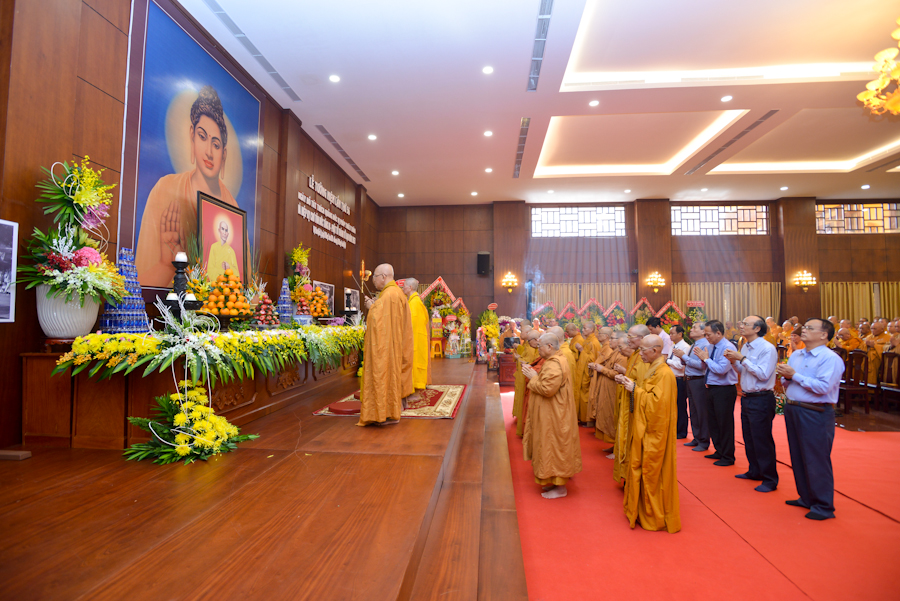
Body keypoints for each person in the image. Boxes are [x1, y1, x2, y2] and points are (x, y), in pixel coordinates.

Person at [137, 86, 238, 287]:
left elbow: (242, 282)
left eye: (216, 145)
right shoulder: (165, 189)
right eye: (202, 136)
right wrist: (167, 265)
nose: (209, 152)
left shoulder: (232, 210)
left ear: (224, 154)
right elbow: (137, 289)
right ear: (192, 135)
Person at [776, 318, 843, 520]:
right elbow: (787, 382)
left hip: (815, 412)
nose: (803, 330)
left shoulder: (829, 358)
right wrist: (786, 377)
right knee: (798, 455)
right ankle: (806, 497)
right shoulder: (797, 354)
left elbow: (824, 387)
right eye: (804, 327)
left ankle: (823, 506)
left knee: (816, 458)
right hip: (793, 408)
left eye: (809, 328)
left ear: (824, 335)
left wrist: (794, 376)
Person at [615, 334, 681, 533]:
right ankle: (639, 509)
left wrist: (635, 389)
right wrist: (633, 385)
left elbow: (658, 407)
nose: (640, 353)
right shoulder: (653, 368)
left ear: (655, 350)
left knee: (651, 471)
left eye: (643, 350)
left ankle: (654, 515)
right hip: (645, 427)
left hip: (655, 432)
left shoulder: (664, 374)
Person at [522, 333, 582, 499]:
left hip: (555, 414)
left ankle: (561, 488)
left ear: (549, 347)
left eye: (540, 346)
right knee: (550, 445)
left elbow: (547, 389)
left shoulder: (554, 364)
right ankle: (554, 481)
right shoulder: (555, 360)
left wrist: (533, 378)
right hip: (552, 411)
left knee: (554, 446)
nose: (538, 349)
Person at [725, 316, 779, 492]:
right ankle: (755, 470)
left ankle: (769, 479)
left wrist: (742, 359)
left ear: (757, 329)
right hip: (747, 397)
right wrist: (734, 362)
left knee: (762, 439)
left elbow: (763, 374)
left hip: (761, 398)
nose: (741, 326)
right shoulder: (746, 346)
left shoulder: (767, 348)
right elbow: (744, 371)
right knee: (749, 437)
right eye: (741, 323)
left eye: (745, 324)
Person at [358, 264, 414, 426]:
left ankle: (384, 413)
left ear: (383, 276)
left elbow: (379, 320)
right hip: (395, 343)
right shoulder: (396, 292)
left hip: (387, 347)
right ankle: (392, 409)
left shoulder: (389, 294)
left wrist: (371, 307)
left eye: (375, 277)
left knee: (383, 375)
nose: (373, 281)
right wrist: (376, 305)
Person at [694, 320, 738, 466]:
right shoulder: (711, 346)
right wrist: (703, 360)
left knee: (724, 423)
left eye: (708, 334)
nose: (706, 337)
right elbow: (706, 367)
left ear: (718, 333)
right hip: (711, 387)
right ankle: (719, 450)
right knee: (713, 422)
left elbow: (721, 370)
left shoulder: (727, 347)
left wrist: (706, 359)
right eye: (705, 334)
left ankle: (728, 456)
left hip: (724, 389)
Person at [613, 325, 650, 482]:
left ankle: (634, 478)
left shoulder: (644, 358)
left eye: (630, 337)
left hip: (637, 406)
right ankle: (627, 475)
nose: (628, 340)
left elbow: (644, 385)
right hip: (629, 403)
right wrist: (624, 378)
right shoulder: (635, 355)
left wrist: (631, 384)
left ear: (642, 339)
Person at [675, 321, 712, 451]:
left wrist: (684, 357)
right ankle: (697, 437)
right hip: (690, 379)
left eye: (694, 328)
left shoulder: (705, 345)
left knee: (701, 411)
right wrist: (682, 358)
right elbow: (689, 363)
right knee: (694, 411)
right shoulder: (694, 344)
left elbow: (702, 365)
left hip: (699, 380)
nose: (691, 330)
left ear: (703, 331)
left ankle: (704, 440)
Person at [589, 327, 622, 444]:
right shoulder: (614, 352)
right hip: (605, 387)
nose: (610, 341)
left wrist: (602, 369)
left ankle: (615, 444)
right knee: (606, 414)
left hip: (612, 389)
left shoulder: (621, 356)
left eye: (612, 338)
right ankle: (613, 444)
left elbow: (617, 374)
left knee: (611, 415)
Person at [402, 278, 431, 401]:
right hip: (416, 339)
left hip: (416, 340)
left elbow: (410, 324)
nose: (402, 288)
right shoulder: (413, 301)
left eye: (404, 286)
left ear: (410, 288)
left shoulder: (415, 303)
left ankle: (415, 392)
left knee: (415, 364)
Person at [513, 330, 541, 437]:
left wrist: (524, 362)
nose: (528, 343)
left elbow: (535, 363)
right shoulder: (530, 347)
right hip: (527, 378)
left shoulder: (538, 350)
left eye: (530, 341)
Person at [573, 322, 602, 426]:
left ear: (591, 330)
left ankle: (587, 419)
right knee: (581, 393)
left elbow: (593, 360)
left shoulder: (594, 342)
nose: (582, 330)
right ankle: (581, 417)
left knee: (586, 395)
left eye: (585, 328)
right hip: (582, 371)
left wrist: (581, 350)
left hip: (588, 373)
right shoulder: (587, 340)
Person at [666, 325, 691, 439]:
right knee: (673, 405)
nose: (670, 336)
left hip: (680, 379)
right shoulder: (673, 345)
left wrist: (667, 361)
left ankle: (681, 431)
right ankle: (674, 428)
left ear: (680, 334)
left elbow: (681, 366)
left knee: (680, 406)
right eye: (670, 333)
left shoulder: (685, 347)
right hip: (672, 378)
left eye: (672, 333)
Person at [864, 320, 891, 385]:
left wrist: (875, 346)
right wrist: (866, 345)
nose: (873, 330)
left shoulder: (888, 337)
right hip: (866, 357)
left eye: (875, 329)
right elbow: (861, 346)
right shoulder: (869, 337)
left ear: (882, 329)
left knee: (872, 357)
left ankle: (872, 386)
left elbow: (887, 348)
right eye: (871, 328)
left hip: (878, 358)